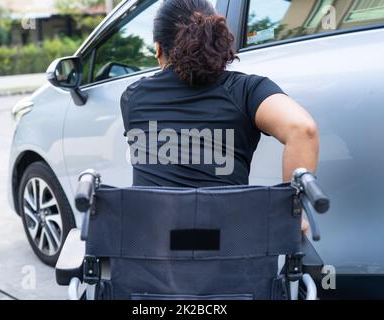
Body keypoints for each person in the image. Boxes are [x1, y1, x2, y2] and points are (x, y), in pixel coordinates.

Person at [120, 0, 318, 233]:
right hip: (230, 254)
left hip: (151, 253)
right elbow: (303, 129)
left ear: (158, 49)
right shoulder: (246, 90)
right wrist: (291, 215)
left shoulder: (133, 97)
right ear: (215, 41)